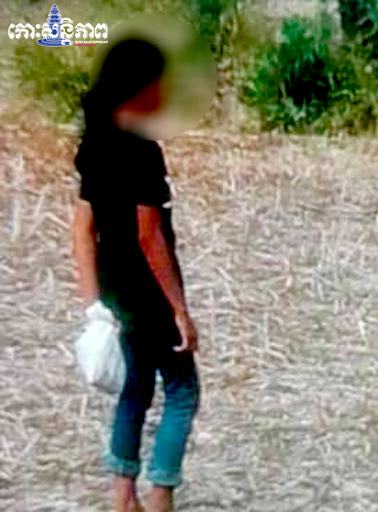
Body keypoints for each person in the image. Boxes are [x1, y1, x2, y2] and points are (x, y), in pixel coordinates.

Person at [71, 38, 200, 512]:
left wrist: (93, 305)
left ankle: (123, 497)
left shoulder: (94, 146)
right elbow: (150, 237)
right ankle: (161, 493)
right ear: (141, 87)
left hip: (115, 294)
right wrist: (180, 310)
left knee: (134, 391)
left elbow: (82, 231)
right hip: (150, 297)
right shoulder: (143, 153)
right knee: (182, 392)